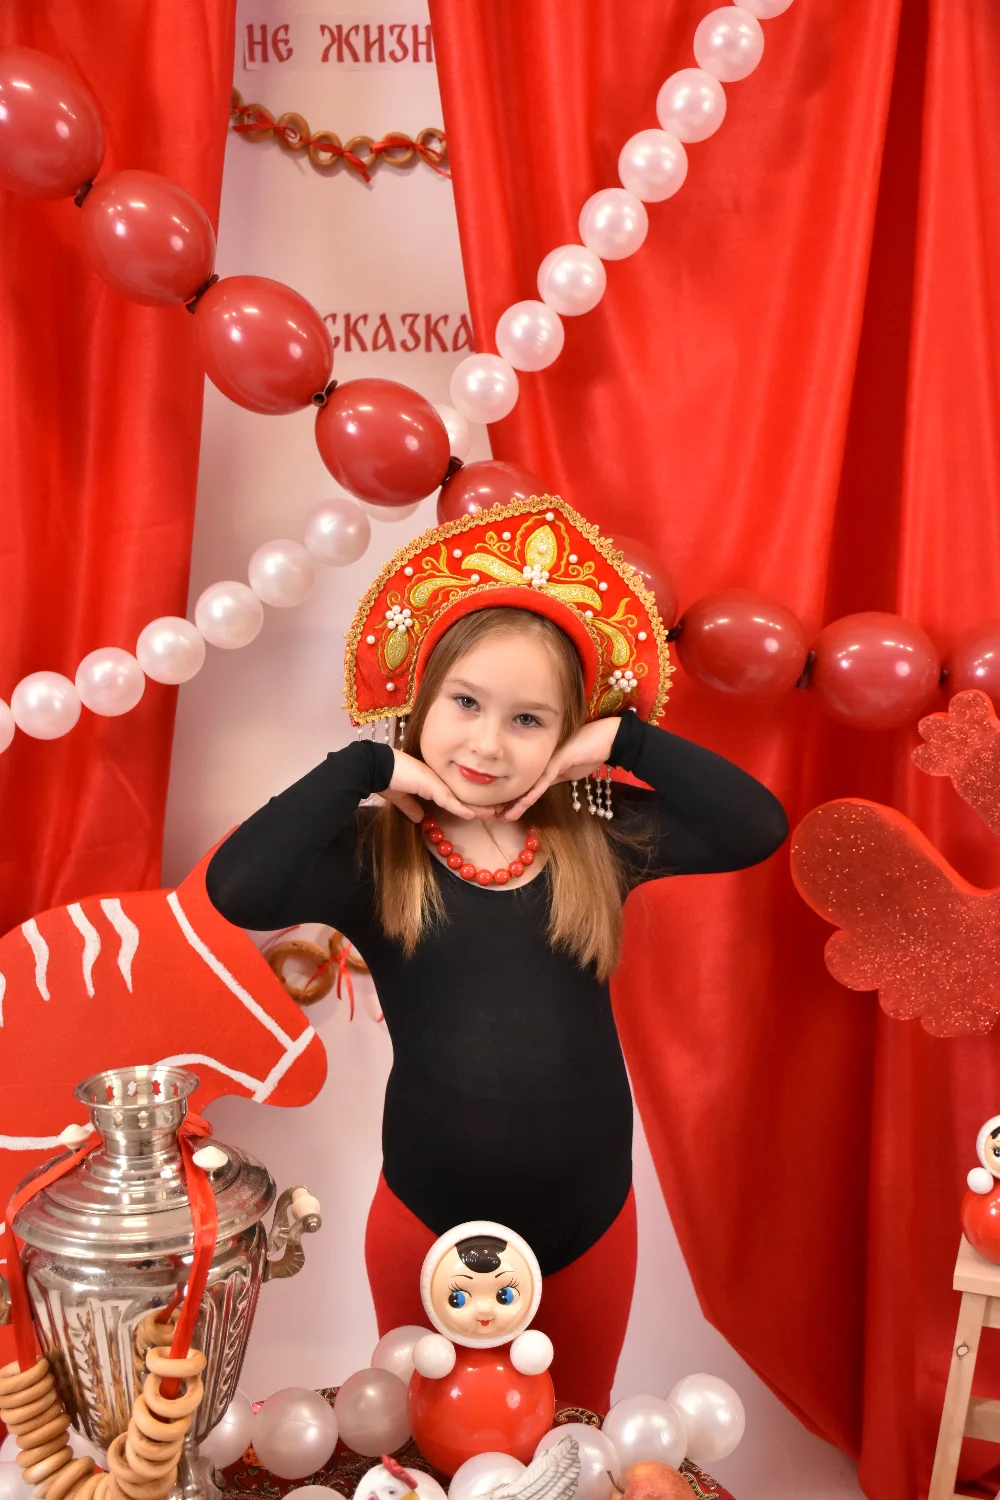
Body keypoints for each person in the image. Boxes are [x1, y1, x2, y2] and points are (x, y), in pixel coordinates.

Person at [206, 497, 788, 1412]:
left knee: (577, 1439)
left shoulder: (598, 834)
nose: (486, 742)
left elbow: (757, 826)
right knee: (417, 1441)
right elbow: (237, 887)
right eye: (467, 703)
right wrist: (364, 768)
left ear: (566, 736)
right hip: (426, 1221)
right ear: (422, 698)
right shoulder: (376, 851)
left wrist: (626, 740)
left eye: (528, 720)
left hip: (591, 1225)